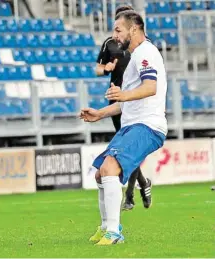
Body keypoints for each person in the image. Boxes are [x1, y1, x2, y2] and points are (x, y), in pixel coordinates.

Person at [81, 10, 167, 245]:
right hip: (132, 125)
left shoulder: (146, 52)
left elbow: (150, 87)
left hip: (147, 125)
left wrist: (124, 94)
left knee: (110, 168)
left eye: (118, 30)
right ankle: (108, 226)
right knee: (101, 173)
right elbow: (126, 102)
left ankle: (113, 232)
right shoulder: (134, 58)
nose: (114, 36)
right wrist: (100, 113)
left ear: (134, 29)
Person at [96, 5, 153, 211]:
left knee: (126, 151)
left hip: (136, 103)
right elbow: (98, 69)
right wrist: (106, 69)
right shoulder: (109, 43)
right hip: (118, 102)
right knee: (125, 151)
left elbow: (151, 82)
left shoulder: (143, 47)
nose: (116, 33)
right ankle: (141, 184)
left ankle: (129, 195)